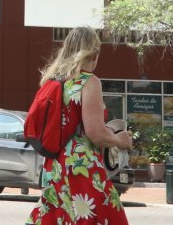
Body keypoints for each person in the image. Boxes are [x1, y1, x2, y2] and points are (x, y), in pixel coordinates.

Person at [27, 26, 133, 225]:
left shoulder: (53, 81)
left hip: (55, 164)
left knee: (58, 219)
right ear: (93, 52)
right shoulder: (88, 81)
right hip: (81, 164)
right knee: (102, 217)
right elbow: (94, 133)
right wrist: (120, 140)